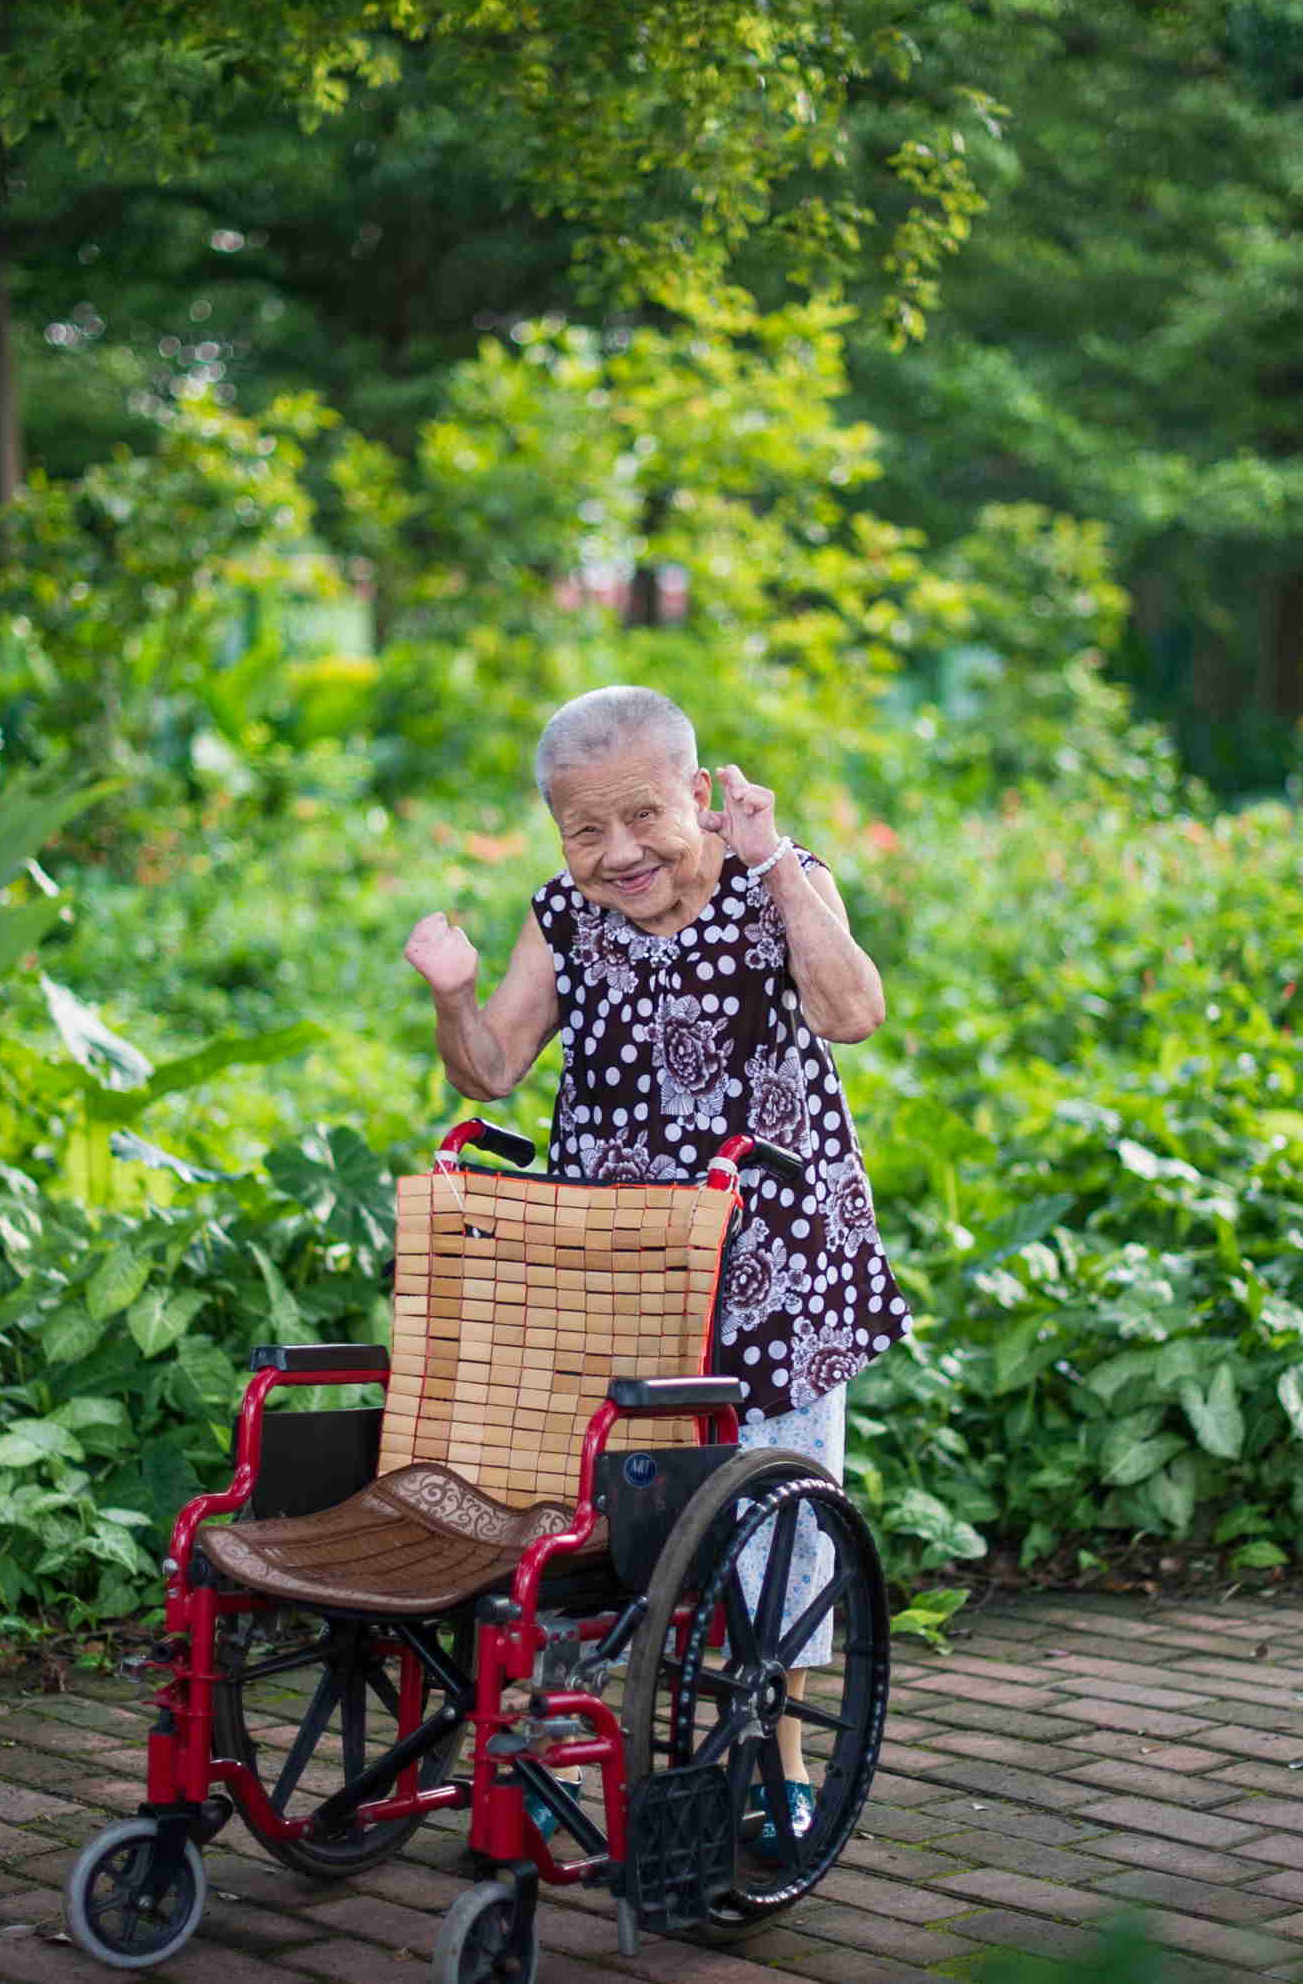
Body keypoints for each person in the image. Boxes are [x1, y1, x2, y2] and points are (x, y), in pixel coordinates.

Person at [403, 684, 909, 1854]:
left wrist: (774, 859)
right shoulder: (563, 918)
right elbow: (489, 1071)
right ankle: (560, 1737)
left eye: (643, 818)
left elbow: (855, 1009)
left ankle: (774, 1763)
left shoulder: (781, 876)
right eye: (586, 831)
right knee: (600, 1517)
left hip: (773, 1264)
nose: (618, 853)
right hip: (616, 1270)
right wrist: (452, 992)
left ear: (698, 792)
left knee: (772, 1525)